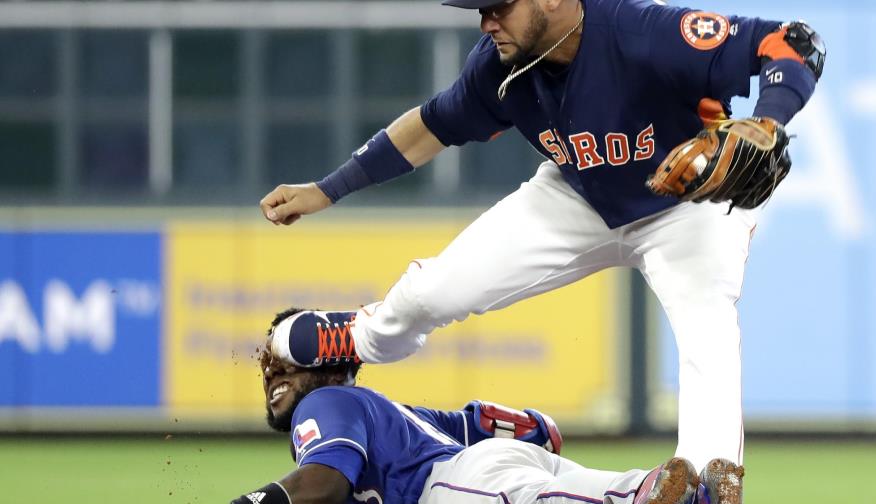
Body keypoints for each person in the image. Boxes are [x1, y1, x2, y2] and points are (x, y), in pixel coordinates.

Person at [258, 2, 824, 502]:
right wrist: (327, 188)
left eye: (499, 7)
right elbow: (430, 127)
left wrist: (768, 119)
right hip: (576, 196)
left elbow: (793, 42)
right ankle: (354, 337)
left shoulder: (641, 30)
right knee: (437, 288)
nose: (486, 22)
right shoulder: (498, 67)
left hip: (686, 208)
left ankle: (703, 486)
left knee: (707, 326)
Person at [231, 307, 703, 504]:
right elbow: (531, 431)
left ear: (331, 367)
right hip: (503, 466)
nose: (272, 372)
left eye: (286, 365)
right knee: (633, 491)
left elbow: (324, 482)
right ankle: (697, 491)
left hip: (456, 488)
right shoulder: (396, 415)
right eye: (268, 368)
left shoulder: (326, 403)